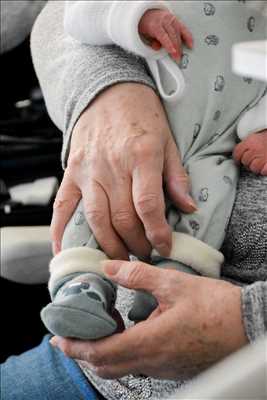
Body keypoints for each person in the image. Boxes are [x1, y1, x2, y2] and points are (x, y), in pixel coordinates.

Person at [1, 1, 266, 399]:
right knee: (100, 199)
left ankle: (170, 283)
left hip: (240, 374)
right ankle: (82, 288)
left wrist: (249, 323)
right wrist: (108, 90)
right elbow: (69, 16)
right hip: (89, 371)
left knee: (203, 199)